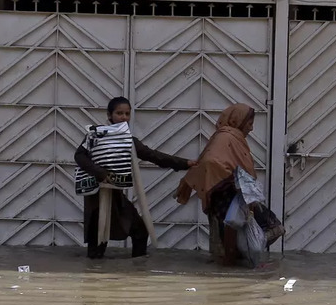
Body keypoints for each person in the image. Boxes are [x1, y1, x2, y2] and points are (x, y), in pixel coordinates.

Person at [74, 97, 193, 258]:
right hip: (96, 194)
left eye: (127, 114)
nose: (123, 117)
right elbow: (80, 156)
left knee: (139, 231)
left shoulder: (127, 140)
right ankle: (94, 277)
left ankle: (136, 274)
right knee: (98, 240)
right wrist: (102, 174)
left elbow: (152, 155)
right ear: (109, 115)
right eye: (119, 113)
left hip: (116, 195)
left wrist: (185, 163)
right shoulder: (96, 135)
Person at [175, 103, 282, 264]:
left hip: (229, 191)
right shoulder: (226, 137)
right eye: (250, 124)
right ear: (238, 121)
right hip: (227, 191)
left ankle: (233, 264)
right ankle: (231, 266)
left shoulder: (230, 137)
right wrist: (230, 178)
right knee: (237, 227)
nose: (251, 129)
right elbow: (211, 161)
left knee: (235, 230)